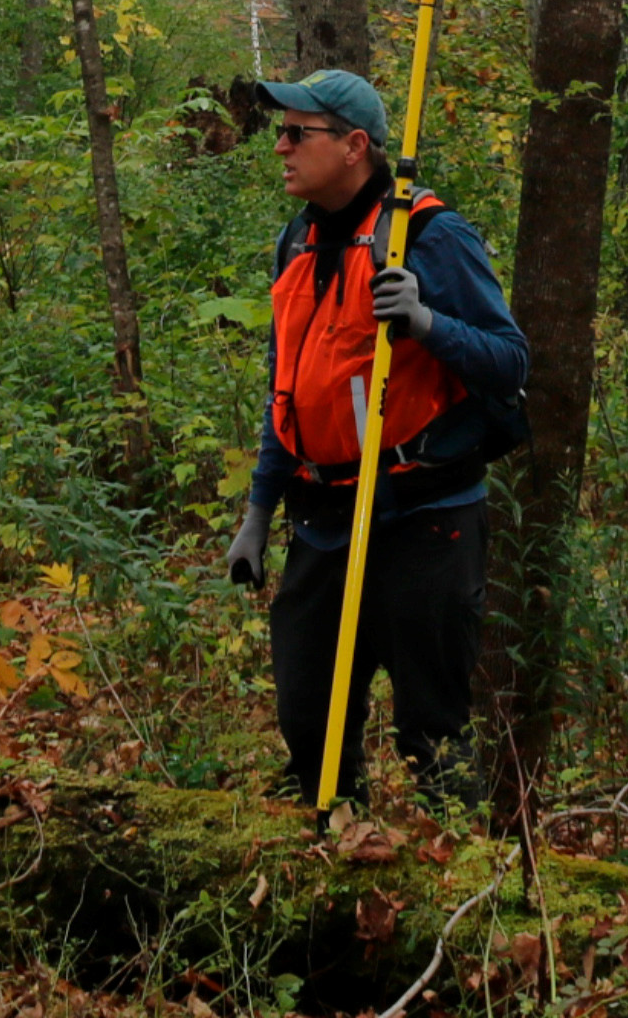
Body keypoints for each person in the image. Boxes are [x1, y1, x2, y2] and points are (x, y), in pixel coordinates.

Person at [225, 68, 528, 807]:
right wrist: (258, 515)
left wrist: (427, 323)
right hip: (323, 520)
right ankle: (328, 864)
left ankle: (452, 885)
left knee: (432, 732)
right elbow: (285, 391)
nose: (281, 148)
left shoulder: (429, 233)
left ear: (355, 145)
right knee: (309, 724)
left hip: (425, 519)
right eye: (280, 131)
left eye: (298, 133)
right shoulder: (295, 241)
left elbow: (510, 358)